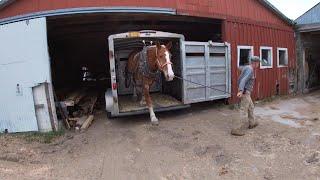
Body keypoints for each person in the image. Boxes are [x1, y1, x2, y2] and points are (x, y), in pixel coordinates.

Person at [231, 56, 260, 136]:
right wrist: (241, 90)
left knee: (251, 107)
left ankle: (252, 123)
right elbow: (243, 80)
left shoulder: (246, 67)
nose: (258, 65)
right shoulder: (250, 70)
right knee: (243, 110)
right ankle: (236, 129)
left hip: (245, 92)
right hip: (245, 92)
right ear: (255, 63)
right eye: (258, 63)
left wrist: (240, 89)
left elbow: (240, 78)